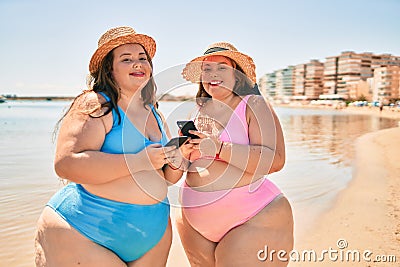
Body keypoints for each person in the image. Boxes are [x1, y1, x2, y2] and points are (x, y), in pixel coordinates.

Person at [34, 26, 192, 267]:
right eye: (126, 59)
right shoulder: (96, 104)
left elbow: (168, 178)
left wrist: (180, 155)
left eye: (142, 58)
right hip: (86, 231)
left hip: (153, 233)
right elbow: (66, 163)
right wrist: (140, 160)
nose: (138, 64)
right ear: (109, 68)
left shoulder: (154, 112)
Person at [176, 42, 294, 266]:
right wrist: (181, 154)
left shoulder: (254, 104)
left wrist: (219, 148)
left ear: (237, 75)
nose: (213, 74)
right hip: (194, 223)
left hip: (252, 215)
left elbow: (276, 160)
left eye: (222, 67)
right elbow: (187, 166)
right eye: (207, 69)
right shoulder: (197, 110)